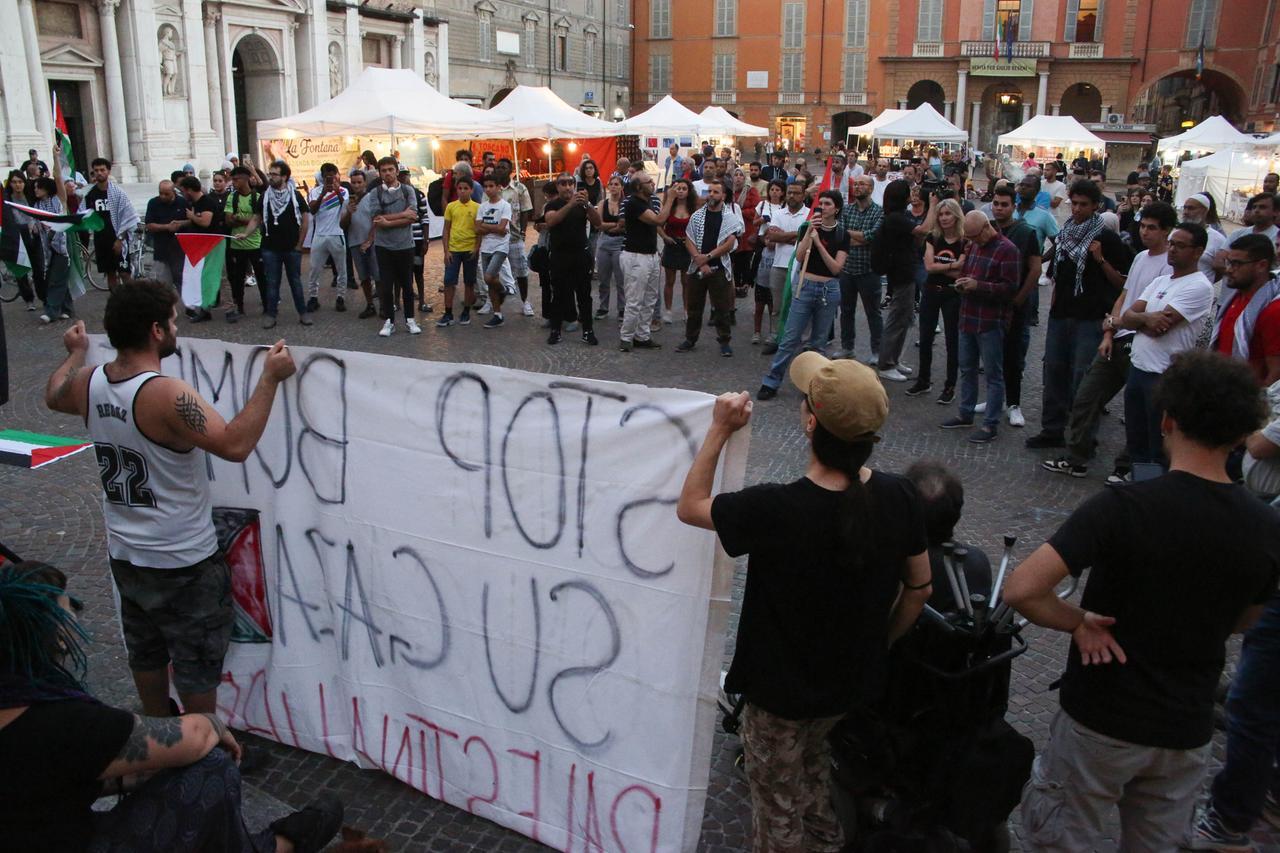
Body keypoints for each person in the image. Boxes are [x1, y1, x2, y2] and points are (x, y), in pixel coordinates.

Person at [1005, 350, 1280, 853]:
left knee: (1065, 838)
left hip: (1103, 715)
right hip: (1186, 724)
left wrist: (1078, 621)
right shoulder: (1267, 528)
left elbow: (1023, 588)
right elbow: (1248, 618)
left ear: (1168, 420)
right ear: (1243, 433)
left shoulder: (1124, 507)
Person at [677, 355, 931, 853]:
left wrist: (720, 429)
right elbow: (920, 588)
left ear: (811, 422)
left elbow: (690, 506)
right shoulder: (900, 495)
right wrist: (879, 643)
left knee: (777, 809)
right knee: (814, 774)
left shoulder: (776, 507)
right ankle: (827, 841)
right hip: (848, 686)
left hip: (780, 698)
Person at [43, 280, 296, 718]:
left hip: (127, 553)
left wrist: (75, 352)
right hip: (183, 560)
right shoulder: (165, 394)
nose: (177, 328)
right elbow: (234, 444)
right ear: (156, 330)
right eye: (174, 321)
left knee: (146, 652)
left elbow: (53, 394)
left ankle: (159, 727)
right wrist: (270, 378)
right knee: (195, 664)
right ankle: (200, 741)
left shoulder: (89, 382)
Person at [0, 562, 346, 853]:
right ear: (54, 637)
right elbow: (195, 736)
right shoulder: (60, 722)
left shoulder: (27, 709)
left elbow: (52, 782)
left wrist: (142, 772)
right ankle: (274, 847)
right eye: (69, 610)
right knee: (213, 765)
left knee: (168, 762)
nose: (76, 616)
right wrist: (214, 724)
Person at [1042, 202, 1177, 480]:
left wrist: (1121, 322)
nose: (1145, 232)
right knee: (1086, 397)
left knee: (1139, 411)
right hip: (1117, 337)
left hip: (1142, 345)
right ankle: (1077, 457)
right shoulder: (1141, 258)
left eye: (1152, 228)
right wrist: (1109, 331)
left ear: (1167, 231)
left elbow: (1154, 317)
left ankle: (1129, 466)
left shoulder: (1169, 267)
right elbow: (1124, 296)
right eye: (1143, 226)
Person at [1026, 179, 1133, 449]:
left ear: (1096, 206)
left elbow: (1123, 283)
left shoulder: (1107, 238)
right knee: (1054, 372)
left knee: (1083, 380)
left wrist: (1100, 259)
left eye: (1083, 204)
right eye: (1073, 203)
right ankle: (1052, 430)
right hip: (1061, 314)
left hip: (1091, 318)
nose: (1076, 209)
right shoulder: (1066, 233)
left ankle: (1081, 439)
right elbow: (1058, 273)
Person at [1116, 222, 1214, 468]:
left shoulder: (1199, 286)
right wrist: (1145, 319)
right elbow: (1127, 317)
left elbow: (1159, 328)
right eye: (1171, 244)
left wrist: (1140, 319)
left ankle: (1158, 486)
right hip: (1138, 368)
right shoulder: (1160, 282)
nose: (1172, 249)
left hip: (1163, 374)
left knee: (1158, 444)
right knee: (1136, 438)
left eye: (1180, 246)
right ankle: (1138, 482)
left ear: (1198, 251)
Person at [756, 191, 850, 400]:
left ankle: (813, 385)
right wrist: (809, 234)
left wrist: (819, 244)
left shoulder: (843, 235)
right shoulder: (809, 228)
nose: (822, 207)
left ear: (836, 209)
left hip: (829, 290)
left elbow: (836, 268)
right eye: (820, 203)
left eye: (827, 204)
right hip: (805, 286)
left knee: (818, 343)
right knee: (790, 338)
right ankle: (771, 381)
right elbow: (799, 256)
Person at [939, 211, 1020, 443]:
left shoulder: (1008, 250)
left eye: (975, 236)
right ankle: (965, 413)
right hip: (968, 317)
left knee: (993, 375)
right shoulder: (975, 245)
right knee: (967, 368)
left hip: (990, 322)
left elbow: (1010, 289)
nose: (973, 241)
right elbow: (967, 273)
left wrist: (978, 286)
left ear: (986, 228)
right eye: (970, 237)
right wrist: (962, 283)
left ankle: (990, 424)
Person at [991, 184, 1046, 428]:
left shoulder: (1025, 232)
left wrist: (1019, 300)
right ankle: (994, 399)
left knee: (1013, 356)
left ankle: (1014, 403)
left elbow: (1035, 269)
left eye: (1004, 205)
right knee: (992, 355)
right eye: (996, 204)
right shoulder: (989, 229)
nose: (999, 208)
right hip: (992, 302)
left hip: (1015, 304)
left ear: (1013, 207)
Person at [677, 178, 744, 357]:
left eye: (716, 192)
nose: (711, 195)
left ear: (723, 195)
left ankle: (724, 341)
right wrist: (700, 261)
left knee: (722, 308)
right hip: (697, 267)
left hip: (719, 267)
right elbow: (689, 239)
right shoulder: (697, 216)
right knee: (694, 306)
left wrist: (708, 257)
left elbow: (729, 243)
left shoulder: (729, 218)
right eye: (710, 192)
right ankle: (690, 339)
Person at [911, 198, 965, 403]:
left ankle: (950, 386)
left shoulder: (964, 241)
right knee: (925, 338)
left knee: (952, 341)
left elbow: (962, 273)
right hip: (931, 291)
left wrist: (941, 267)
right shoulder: (932, 238)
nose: (943, 218)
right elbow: (929, 267)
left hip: (953, 294)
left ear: (956, 215)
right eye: (940, 214)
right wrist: (953, 265)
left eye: (948, 213)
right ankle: (923, 380)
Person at [360, 157, 421, 337]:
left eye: (390, 169)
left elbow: (413, 216)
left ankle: (410, 319)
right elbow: (377, 218)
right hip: (383, 246)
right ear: (379, 173)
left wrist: (389, 222)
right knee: (386, 286)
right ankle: (389, 321)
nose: (387, 173)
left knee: (407, 285)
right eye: (384, 170)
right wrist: (402, 215)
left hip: (405, 245)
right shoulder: (375, 193)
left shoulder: (408, 190)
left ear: (396, 171)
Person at [1210, 233, 1280, 386]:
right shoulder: (1235, 298)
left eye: (1237, 264)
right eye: (1229, 262)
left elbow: (1275, 374)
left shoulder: (1273, 311)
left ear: (1261, 265)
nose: (1228, 270)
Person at [544, 171, 604, 346]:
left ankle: (588, 331)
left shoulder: (582, 204)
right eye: (563, 183)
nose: (568, 187)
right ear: (557, 187)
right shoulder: (552, 205)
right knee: (559, 295)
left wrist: (588, 206)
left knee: (584, 295)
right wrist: (570, 204)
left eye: (570, 183)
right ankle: (555, 331)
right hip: (560, 256)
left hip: (580, 255)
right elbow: (551, 221)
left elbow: (598, 222)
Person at [255, 161, 312, 329]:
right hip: (270, 248)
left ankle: (303, 312)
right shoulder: (265, 196)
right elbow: (257, 218)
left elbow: (305, 219)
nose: (270, 177)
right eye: (270, 174)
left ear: (285, 176)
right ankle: (271, 315)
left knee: (295, 281)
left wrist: (300, 244)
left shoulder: (295, 195)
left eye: (274, 174)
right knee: (272, 283)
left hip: (292, 248)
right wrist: (246, 233)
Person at [835, 174, 884, 364]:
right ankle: (847, 348)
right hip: (847, 269)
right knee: (846, 310)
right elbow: (840, 236)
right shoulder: (846, 210)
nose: (857, 187)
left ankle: (878, 351)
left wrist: (852, 237)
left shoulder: (879, 212)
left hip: (869, 270)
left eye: (862, 184)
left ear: (871, 188)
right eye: (855, 184)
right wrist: (859, 238)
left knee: (873, 312)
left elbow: (872, 237)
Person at [876, 180, 921, 382]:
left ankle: (894, 359)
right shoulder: (895, 218)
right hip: (900, 273)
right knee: (897, 318)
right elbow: (922, 230)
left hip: (905, 272)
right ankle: (885, 363)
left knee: (904, 318)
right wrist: (934, 205)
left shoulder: (900, 216)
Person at [760, 181, 812, 356]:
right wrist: (799, 235)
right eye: (789, 192)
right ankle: (775, 336)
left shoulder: (809, 214)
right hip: (779, 265)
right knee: (777, 305)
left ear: (803, 195)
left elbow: (809, 238)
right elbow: (772, 237)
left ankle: (802, 340)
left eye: (796, 193)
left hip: (801, 267)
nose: (791, 196)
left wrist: (784, 236)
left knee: (801, 305)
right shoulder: (778, 213)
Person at [618, 171, 667, 351]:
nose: (653, 183)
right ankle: (626, 338)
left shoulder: (648, 201)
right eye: (649, 181)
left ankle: (642, 335)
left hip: (650, 255)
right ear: (639, 186)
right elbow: (658, 220)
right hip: (636, 257)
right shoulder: (633, 203)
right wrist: (670, 199)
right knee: (635, 299)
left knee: (650, 298)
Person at [83, 157, 138, 291]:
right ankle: (116, 300)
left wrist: (120, 239)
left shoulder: (118, 193)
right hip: (101, 239)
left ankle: (134, 299)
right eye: (96, 170)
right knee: (110, 274)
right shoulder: (90, 195)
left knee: (124, 273)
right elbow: (85, 215)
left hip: (118, 239)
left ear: (108, 171)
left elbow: (127, 216)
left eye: (102, 170)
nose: (99, 173)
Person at [175, 175, 224, 322]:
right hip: (200, 244)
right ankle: (203, 308)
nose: (183, 194)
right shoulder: (195, 202)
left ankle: (207, 309)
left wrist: (191, 216)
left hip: (211, 244)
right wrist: (182, 223)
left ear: (189, 190)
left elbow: (205, 222)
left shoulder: (206, 202)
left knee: (208, 276)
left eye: (184, 191)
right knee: (199, 276)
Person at [304, 163, 349, 313]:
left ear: (336, 175)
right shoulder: (314, 191)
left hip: (337, 234)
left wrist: (337, 192)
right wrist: (323, 193)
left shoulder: (344, 191)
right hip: (319, 235)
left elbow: (345, 209)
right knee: (314, 269)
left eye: (332, 175)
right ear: (322, 177)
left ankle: (341, 297)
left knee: (342, 269)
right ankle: (313, 298)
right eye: (327, 176)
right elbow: (312, 210)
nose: (330, 179)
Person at [31, 170, 75, 325]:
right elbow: (36, 223)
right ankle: (66, 308)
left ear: (46, 188)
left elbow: (58, 177)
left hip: (61, 244)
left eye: (38, 187)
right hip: (48, 248)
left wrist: (55, 157)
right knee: (57, 277)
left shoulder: (58, 201)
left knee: (56, 279)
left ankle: (51, 311)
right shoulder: (37, 206)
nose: (36, 190)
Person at [436, 176, 479, 328]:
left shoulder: (477, 208)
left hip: (470, 249)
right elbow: (446, 230)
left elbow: (479, 231)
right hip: (454, 250)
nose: (462, 191)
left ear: (471, 190)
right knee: (449, 281)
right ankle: (448, 313)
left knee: (469, 282)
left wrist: (476, 248)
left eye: (466, 188)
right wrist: (446, 251)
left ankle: (466, 311)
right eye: (460, 188)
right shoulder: (451, 207)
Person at [475, 174, 517, 329]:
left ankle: (503, 289)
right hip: (486, 247)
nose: (488, 189)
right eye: (485, 186)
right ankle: (497, 314)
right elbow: (477, 228)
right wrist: (496, 229)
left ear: (499, 187)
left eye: (491, 186)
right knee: (491, 281)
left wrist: (487, 227)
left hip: (500, 247)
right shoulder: (482, 206)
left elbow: (502, 228)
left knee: (488, 277)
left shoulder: (505, 206)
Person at [223, 166, 263, 323]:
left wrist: (239, 218)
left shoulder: (257, 197)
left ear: (245, 179)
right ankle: (239, 306)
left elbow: (258, 220)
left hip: (255, 243)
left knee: (261, 276)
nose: (233, 182)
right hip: (236, 244)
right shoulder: (232, 197)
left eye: (236, 179)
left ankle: (267, 305)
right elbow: (228, 220)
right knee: (237, 279)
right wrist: (248, 220)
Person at [658, 178, 696, 326]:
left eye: (684, 189)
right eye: (678, 188)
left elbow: (697, 227)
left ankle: (686, 310)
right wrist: (665, 237)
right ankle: (668, 311)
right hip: (671, 245)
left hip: (687, 247)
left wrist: (691, 241)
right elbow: (658, 224)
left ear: (688, 192)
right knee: (669, 281)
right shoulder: (669, 207)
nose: (680, 191)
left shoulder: (692, 209)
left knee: (686, 281)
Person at [752, 181, 787, 345]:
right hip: (763, 241)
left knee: (775, 301)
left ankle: (774, 331)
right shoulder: (762, 205)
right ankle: (756, 332)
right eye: (772, 189)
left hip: (779, 243)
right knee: (759, 301)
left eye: (777, 190)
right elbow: (754, 222)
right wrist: (762, 220)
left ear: (782, 192)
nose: (774, 192)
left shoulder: (785, 207)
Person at [497, 165, 535, 317]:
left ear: (510, 170)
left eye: (504, 167)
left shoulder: (519, 188)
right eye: (499, 167)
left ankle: (525, 302)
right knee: (492, 271)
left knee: (521, 270)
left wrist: (523, 232)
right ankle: (493, 302)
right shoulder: (493, 187)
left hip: (514, 236)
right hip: (496, 237)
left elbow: (525, 211)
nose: (501, 170)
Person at [343, 167, 379, 320]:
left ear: (365, 183)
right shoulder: (347, 202)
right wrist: (349, 212)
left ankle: (385, 305)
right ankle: (370, 304)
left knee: (378, 275)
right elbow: (342, 225)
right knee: (363, 277)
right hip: (355, 242)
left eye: (359, 182)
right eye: (354, 182)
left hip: (373, 242)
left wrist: (370, 240)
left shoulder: (371, 198)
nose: (356, 185)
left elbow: (377, 220)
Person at [143, 179, 188, 289]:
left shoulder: (182, 202)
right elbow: (149, 225)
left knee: (181, 281)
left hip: (179, 248)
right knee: (162, 284)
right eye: (161, 193)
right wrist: (167, 227)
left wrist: (180, 224)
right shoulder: (153, 203)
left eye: (166, 194)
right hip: (161, 248)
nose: (163, 196)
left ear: (173, 192)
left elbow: (191, 220)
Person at [595, 174, 628, 320]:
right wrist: (616, 225)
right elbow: (599, 224)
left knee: (621, 279)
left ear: (621, 187)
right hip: (604, 242)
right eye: (611, 184)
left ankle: (622, 308)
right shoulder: (603, 203)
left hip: (620, 243)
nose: (613, 187)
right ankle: (603, 307)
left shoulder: (625, 204)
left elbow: (626, 225)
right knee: (603, 278)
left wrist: (614, 227)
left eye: (616, 184)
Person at [729, 167, 762, 302]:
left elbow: (756, 210)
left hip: (748, 228)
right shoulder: (730, 191)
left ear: (744, 177)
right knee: (736, 259)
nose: (738, 177)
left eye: (740, 175)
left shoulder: (750, 191)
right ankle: (737, 285)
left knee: (745, 259)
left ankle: (745, 284)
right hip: (734, 229)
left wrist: (739, 212)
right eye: (735, 175)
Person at [1179, 193, 1229, 278]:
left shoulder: (1217, 239)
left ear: (1205, 211)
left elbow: (1221, 269)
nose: (1186, 212)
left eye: (1191, 208)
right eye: (1185, 208)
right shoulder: (1175, 233)